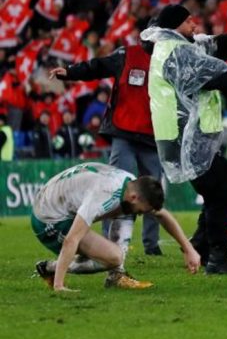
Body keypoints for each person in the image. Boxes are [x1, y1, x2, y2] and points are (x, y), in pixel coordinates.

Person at [140, 4, 227, 274]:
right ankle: (215, 255)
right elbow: (213, 74)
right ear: (175, 25)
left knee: (219, 187)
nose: (194, 25)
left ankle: (201, 246)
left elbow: (218, 46)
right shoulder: (176, 51)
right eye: (188, 21)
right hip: (185, 137)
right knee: (224, 184)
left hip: (189, 136)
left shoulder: (179, 46)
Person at [50, 34, 166, 255]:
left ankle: (152, 245)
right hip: (124, 133)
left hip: (151, 136)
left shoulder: (170, 58)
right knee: (114, 189)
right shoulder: (127, 54)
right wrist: (71, 72)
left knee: (154, 192)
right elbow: (98, 66)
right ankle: (108, 243)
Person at [32, 162, 200, 291]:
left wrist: (189, 249)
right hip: (48, 220)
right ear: (134, 197)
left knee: (126, 212)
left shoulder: (129, 184)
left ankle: (116, 275)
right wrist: (59, 286)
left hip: (58, 205)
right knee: (113, 257)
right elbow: (72, 239)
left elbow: (162, 215)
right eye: (142, 211)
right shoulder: (104, 194)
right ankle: (49, 268)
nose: (141, 215)